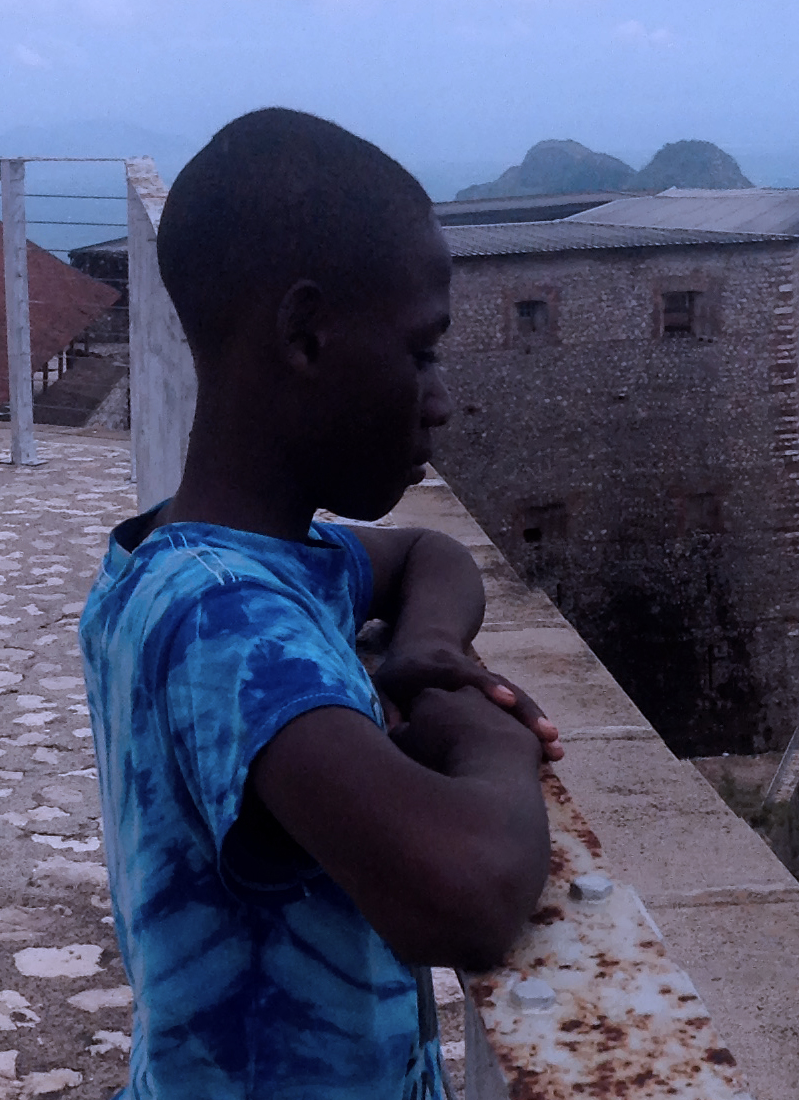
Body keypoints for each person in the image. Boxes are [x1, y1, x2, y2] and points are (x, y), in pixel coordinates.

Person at [81, 109, 565, 1098]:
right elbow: (465, 889)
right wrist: (495, 739)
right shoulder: (229, 622)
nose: (440, 395)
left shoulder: (224, 557)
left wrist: (425, 647)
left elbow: (429, 553)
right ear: (305, 334)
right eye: (422, 350)